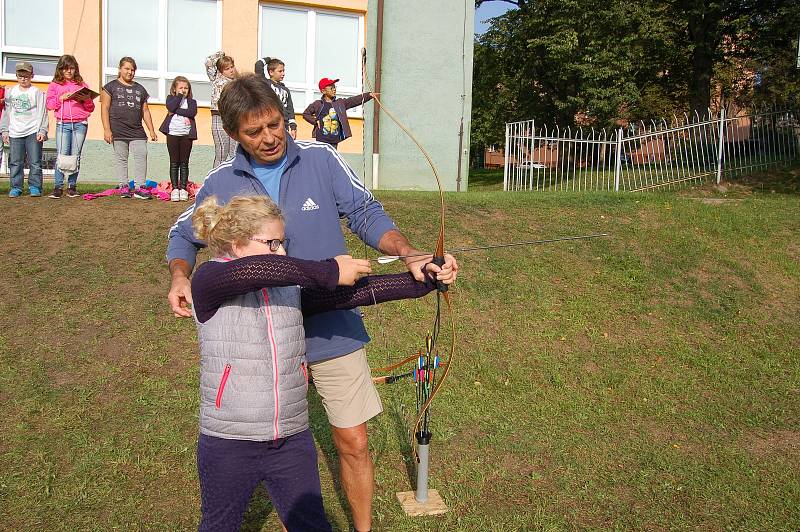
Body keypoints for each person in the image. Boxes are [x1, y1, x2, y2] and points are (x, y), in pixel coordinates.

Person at [166, 73, 458, 532]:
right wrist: (180, 275)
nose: (269, 138)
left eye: (275, 124)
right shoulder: (222, 180)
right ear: (232, 133)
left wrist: (414, 262)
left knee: (353, 441)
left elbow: (365, 213)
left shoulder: (322, 158)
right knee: (267, 444)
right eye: (253, 131)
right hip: (261, 337)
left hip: (330, 324)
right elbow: (185, 233)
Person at [190, 193, 440, 531]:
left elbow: (355, 293)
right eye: (273, 243)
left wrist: (423, 281)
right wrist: (329, 270)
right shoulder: (208, 281)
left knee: (312, 525)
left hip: (291, 440)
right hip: (229, 441)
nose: (283, 252)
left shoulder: (287, 288)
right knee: (220, 525)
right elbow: (253, 271)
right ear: (236, 245)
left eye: (283, 243)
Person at [101, 56, 158, 199]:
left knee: (141, 155)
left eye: (132, 70)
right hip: (118, 130)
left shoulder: (140, 89)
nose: (130, 72)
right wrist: (107, 129)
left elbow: (145, 111)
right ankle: (123, 186)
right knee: (122, 158)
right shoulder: (110, 87)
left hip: (137, 130)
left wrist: (151, 130)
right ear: (120, 69)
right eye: (127, 69)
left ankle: (140, 187)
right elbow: (104, 108)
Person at [46, 55, 96, 199]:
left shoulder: (82, 85)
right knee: (62, 155)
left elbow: (90, 108)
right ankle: (57, 187)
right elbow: (49, 105)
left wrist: (86, 99)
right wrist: (60, 98)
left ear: (76, 69)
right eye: (65, 68)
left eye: (72, 68)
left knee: (76, 155)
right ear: (60, 69)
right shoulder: (55, 85)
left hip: (80, 123)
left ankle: (72, 186)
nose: (69, 71)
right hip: (63, 123)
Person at [0, 62, 48, 198]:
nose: (23, 78)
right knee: (15, 162)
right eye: (20, 76)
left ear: (31, 76)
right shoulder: (11, 92)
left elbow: (43, 112)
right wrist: (5, 130)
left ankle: (35, 186)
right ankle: (16, 187)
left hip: (33, 131)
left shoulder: (37, 92)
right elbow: (6, 112)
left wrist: (42, 130)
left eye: (26, 76)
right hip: (15, 132)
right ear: (16, 76)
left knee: (35, 161)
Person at [302, 78, 373, 149]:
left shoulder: (340, 103)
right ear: (323, 91)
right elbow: (306, 114)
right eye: (331, 88)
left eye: (335, 87)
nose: (334, 89)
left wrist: (369, 95)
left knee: (332, 159)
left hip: (334, 141)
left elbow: (353, 100)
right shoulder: (317, 104)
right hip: (321, 140)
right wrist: (315, 121)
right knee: (322, 159)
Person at [159, 76, 197, 201]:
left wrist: (176, 110)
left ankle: (183, 189)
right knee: (174, 162)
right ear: (174, 89)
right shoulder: (171, 99)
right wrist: (178, 98)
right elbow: (171, 107)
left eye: (186, 88)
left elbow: (191, 113)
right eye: (180, 87)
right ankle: (175, 188)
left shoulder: (192, 102)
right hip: (173, 134)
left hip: (186, 136)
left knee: (184, 163)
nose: (183, 90)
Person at [206, 50, 239, 167]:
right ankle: (216, 181)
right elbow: (209, 62)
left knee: (234, 153)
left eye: (232, 67)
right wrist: (221, 54)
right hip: (219, 117)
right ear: (221, 70)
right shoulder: (216, 78)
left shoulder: (237, 83)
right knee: (221, 152)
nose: (231, 70)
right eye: (227, 68)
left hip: (233, 119)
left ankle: (233, 181)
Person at [255, 57, 298, 139]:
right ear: (271, 72)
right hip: (270, 122)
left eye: (284, 71)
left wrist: (293, 127)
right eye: (280, 71)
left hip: (284, 124)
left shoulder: (286, 90)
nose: (283, 73)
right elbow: (258, 65)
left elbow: (290, 109)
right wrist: (269, 58)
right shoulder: (265, 84)